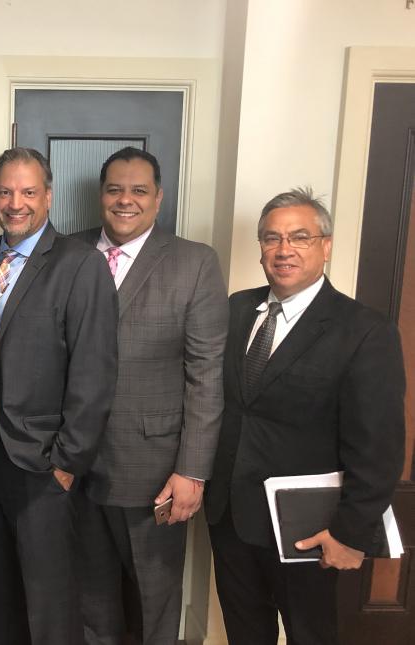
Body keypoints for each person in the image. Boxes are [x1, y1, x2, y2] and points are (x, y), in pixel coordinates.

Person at [204, 187, 406, 645]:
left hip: (312, 531)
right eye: (271, 238)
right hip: (231, 518)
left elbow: (379, 447)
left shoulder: (364, 331)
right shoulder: (236, 309)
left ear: (325, 246)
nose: (283, 250)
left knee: (312, 636)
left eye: (299, 237)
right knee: (244, 634)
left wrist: (350, 533)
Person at [0, 147, 118, 644]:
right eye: (5, 191)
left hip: (42, 460)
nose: (15, 203)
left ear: (48, 197)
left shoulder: (79, 264)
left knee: (50, 603)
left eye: (28, 192)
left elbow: (95, 370)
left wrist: (67, 462)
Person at [74, 146, 229, 645]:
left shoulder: (194, 262)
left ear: (158, 199)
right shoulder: (69, 253)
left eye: (139, 190)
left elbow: (206, 372)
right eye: (115, 189)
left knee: (154, 598)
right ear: (101, 196)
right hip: (70, 464)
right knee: (89, 596)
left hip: (155, 467)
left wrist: (193, 470)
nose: (126, 200)